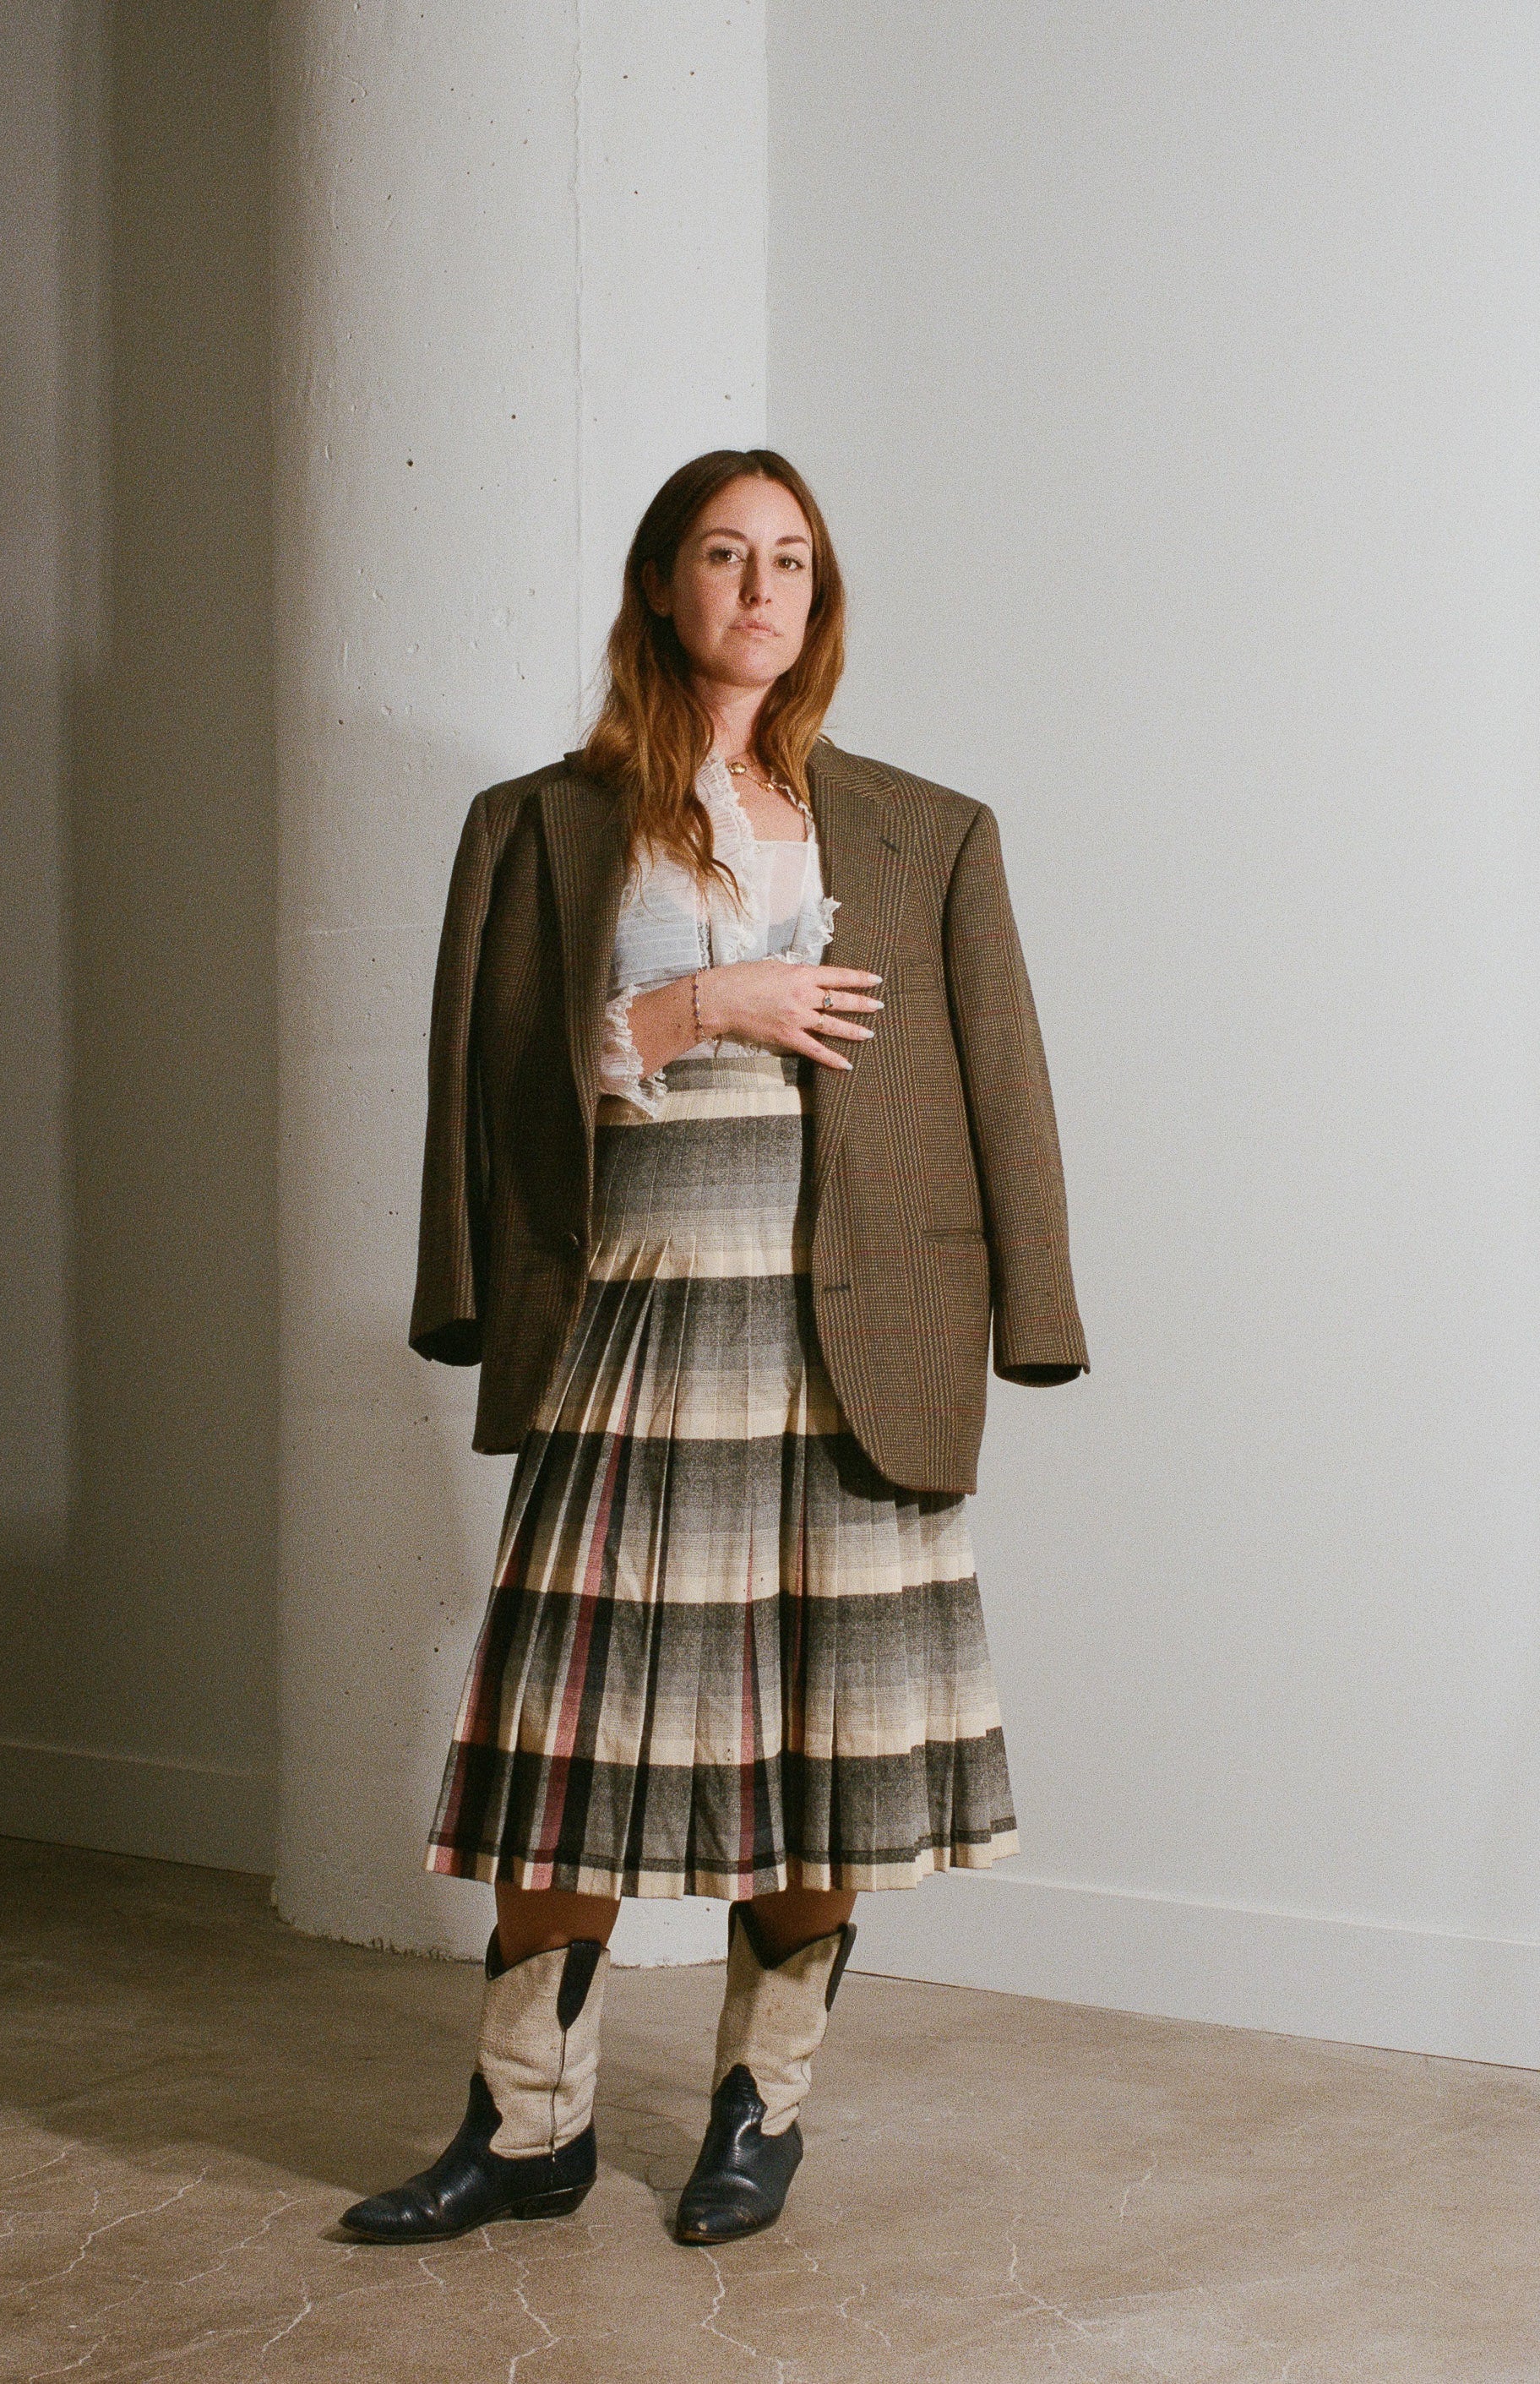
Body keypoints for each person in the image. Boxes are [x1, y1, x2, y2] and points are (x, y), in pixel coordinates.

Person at [339, 448, 1088, 2251]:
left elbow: (1004, 1082)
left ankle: (762, 2114)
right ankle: (527, 2130)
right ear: (662, 582)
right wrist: (694, 1005)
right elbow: (496, 1091)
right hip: (639, 1311)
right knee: (565, 1749)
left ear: (820, 600)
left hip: (857, 1335)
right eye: (726, 554)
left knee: (830, 1747)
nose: (761, 589)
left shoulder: (929, 828)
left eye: (793, 561)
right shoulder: (539, 823)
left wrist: (1035, 1312)